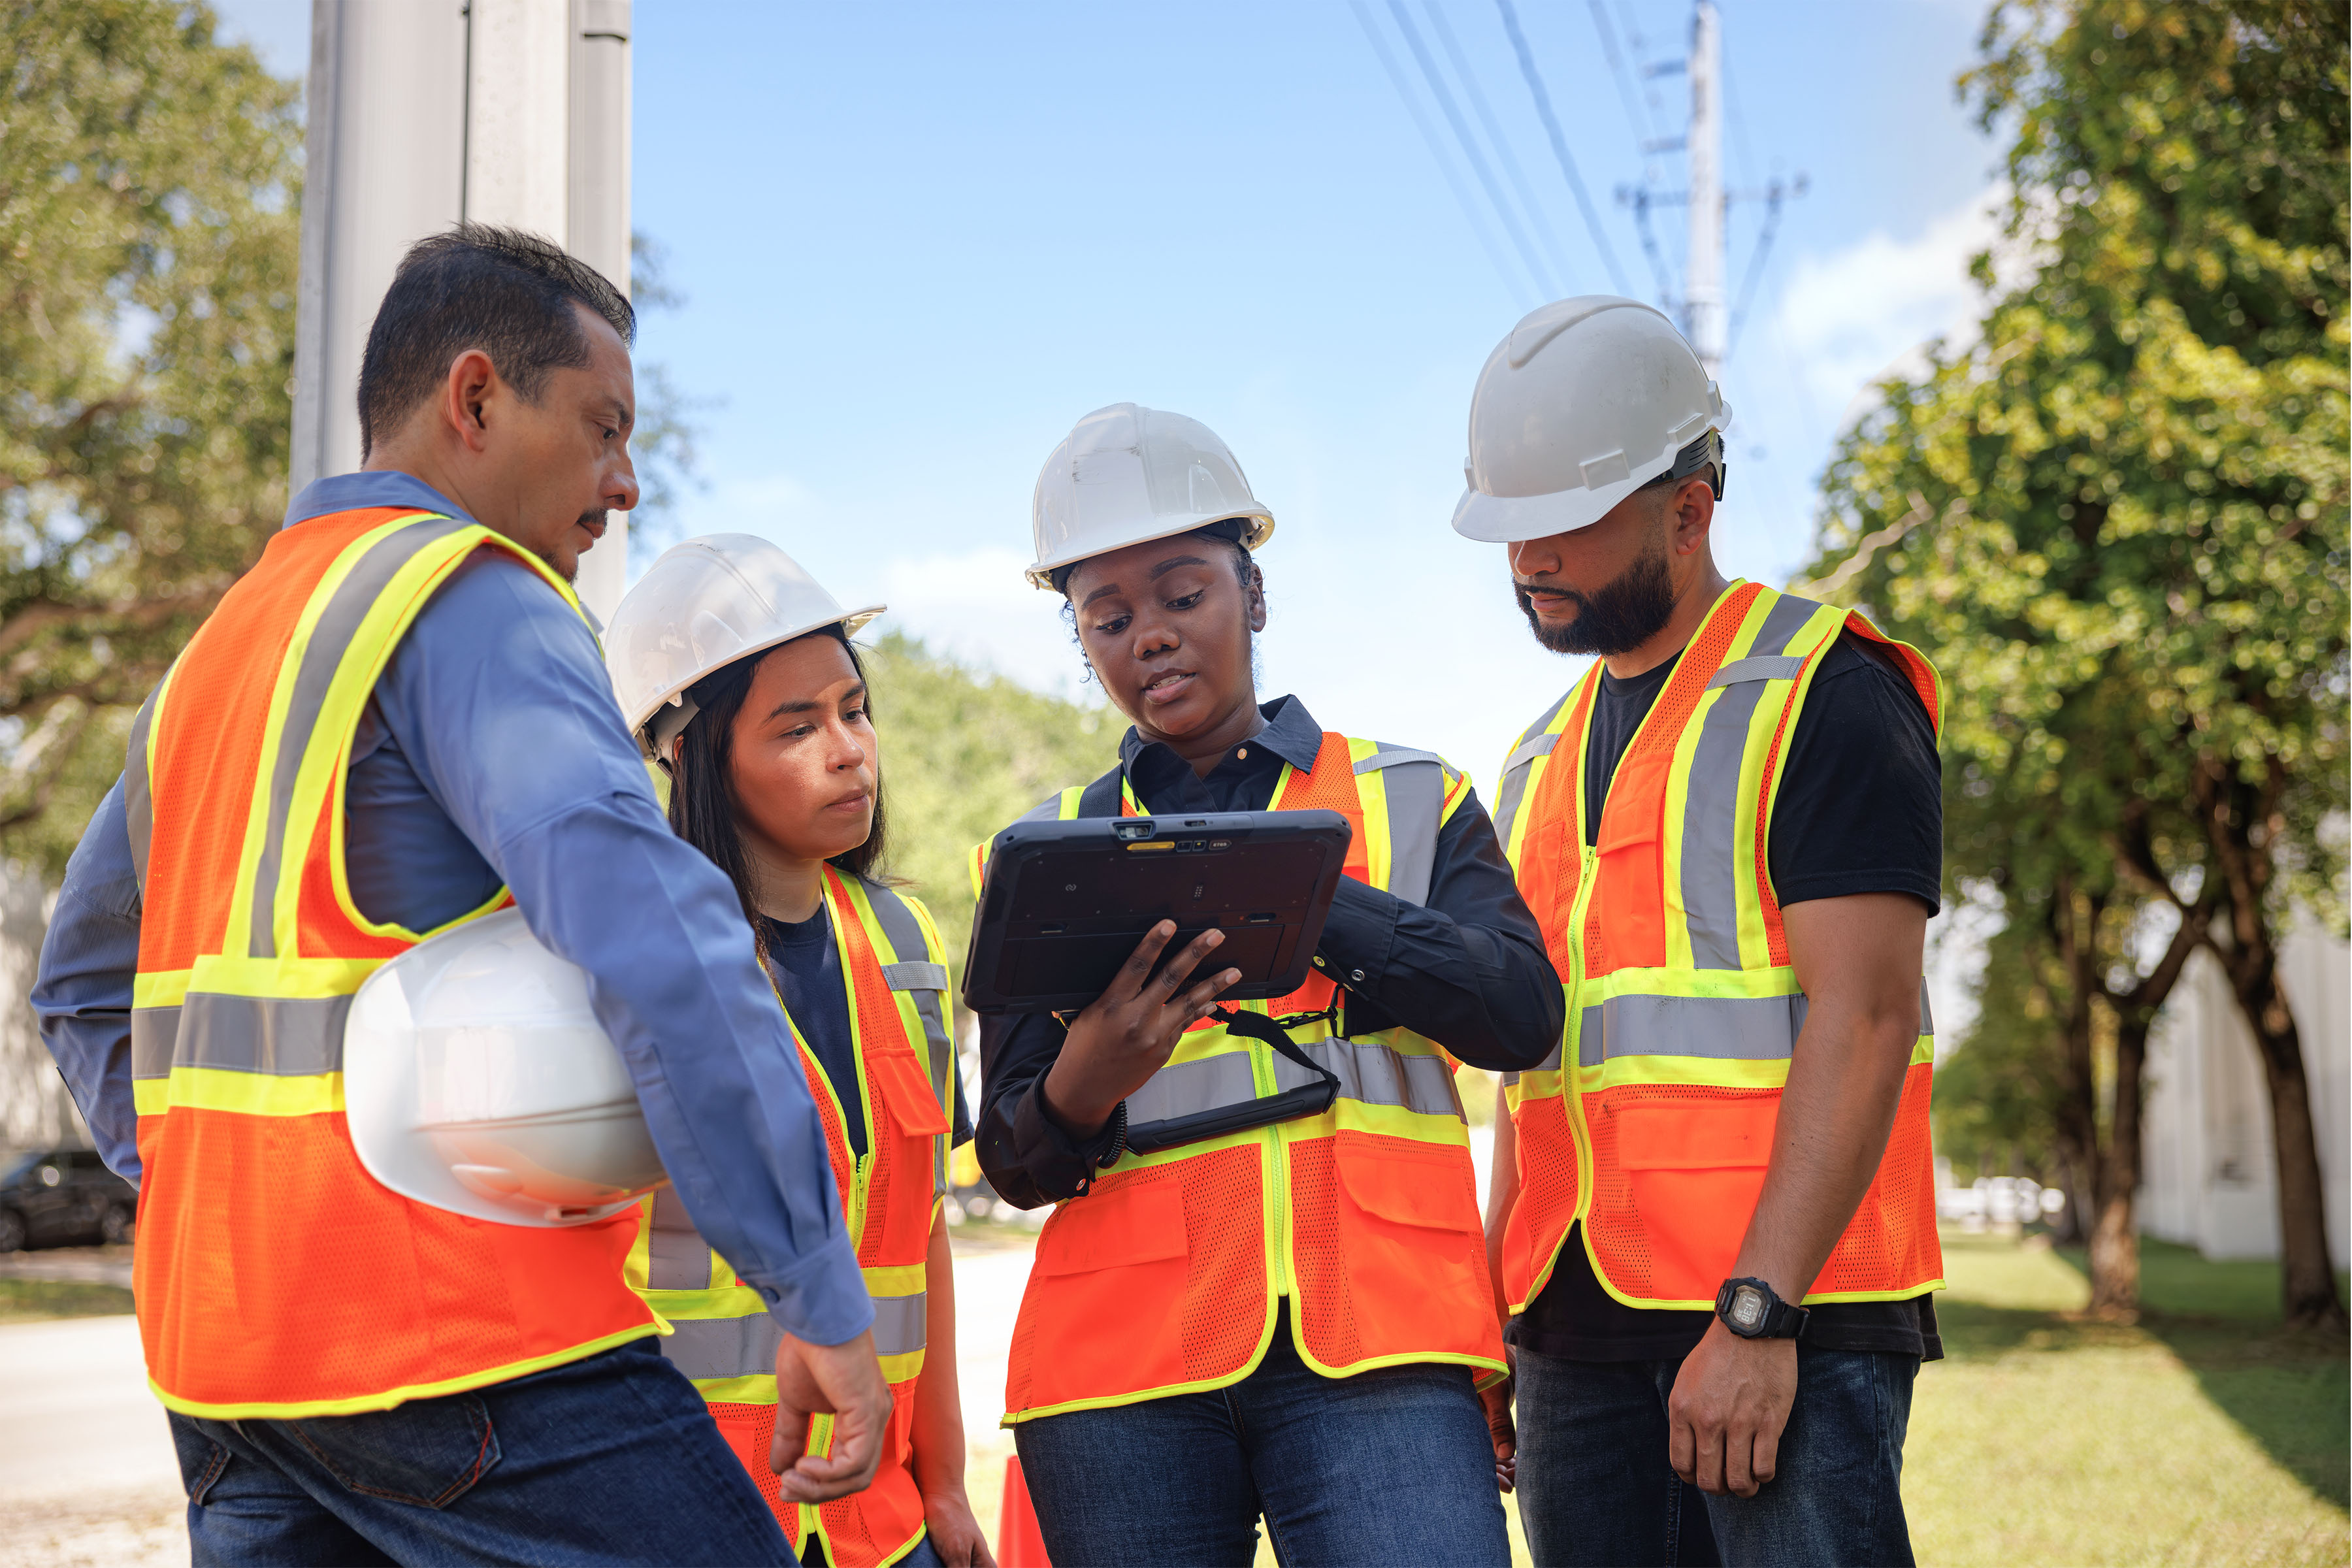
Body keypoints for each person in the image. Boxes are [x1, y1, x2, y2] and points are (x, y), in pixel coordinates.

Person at [31, 225, 889, 1567]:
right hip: (461, 1344)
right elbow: (665, 950)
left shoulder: (221, 651)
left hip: (229, 1370)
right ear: (477, 397)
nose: (626, 482)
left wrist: (206, 1191)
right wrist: (815, 1292)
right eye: (605, 428)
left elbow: (81, 987)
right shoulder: (479, 602)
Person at [970, 403, 1564, 1567]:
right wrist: (1087, 1081)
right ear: (1083, 643)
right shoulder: (1040, 854)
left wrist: (1307, 890)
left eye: (1183, 594)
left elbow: (1519, 1016)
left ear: (1251, 593)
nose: (1150, 636)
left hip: (1382, 1354)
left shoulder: (1410, 798)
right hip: (1120, 1377)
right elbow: (1011, 1156)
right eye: (1109, 616)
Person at [1455, 297, 1945, 1568]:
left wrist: (1760, 1313)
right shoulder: (1533, 763)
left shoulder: (1825, 689)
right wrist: (1501, 1323)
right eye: (1512, 529)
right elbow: (1535, 1075)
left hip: (1786, 1322)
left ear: (1690, 508)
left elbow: (1870, 1013)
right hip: (1575, 1332)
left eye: (1567, 524)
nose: (1529, 561)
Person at [605, 536, 994, 1568]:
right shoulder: (632, 957)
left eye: (854, 711)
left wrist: (944, 1480)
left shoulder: (907, 941)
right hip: (691, 1509)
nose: (849, 748)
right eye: (797, 727)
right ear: (693, 754)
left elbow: (925, 1242)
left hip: (882, 1517)